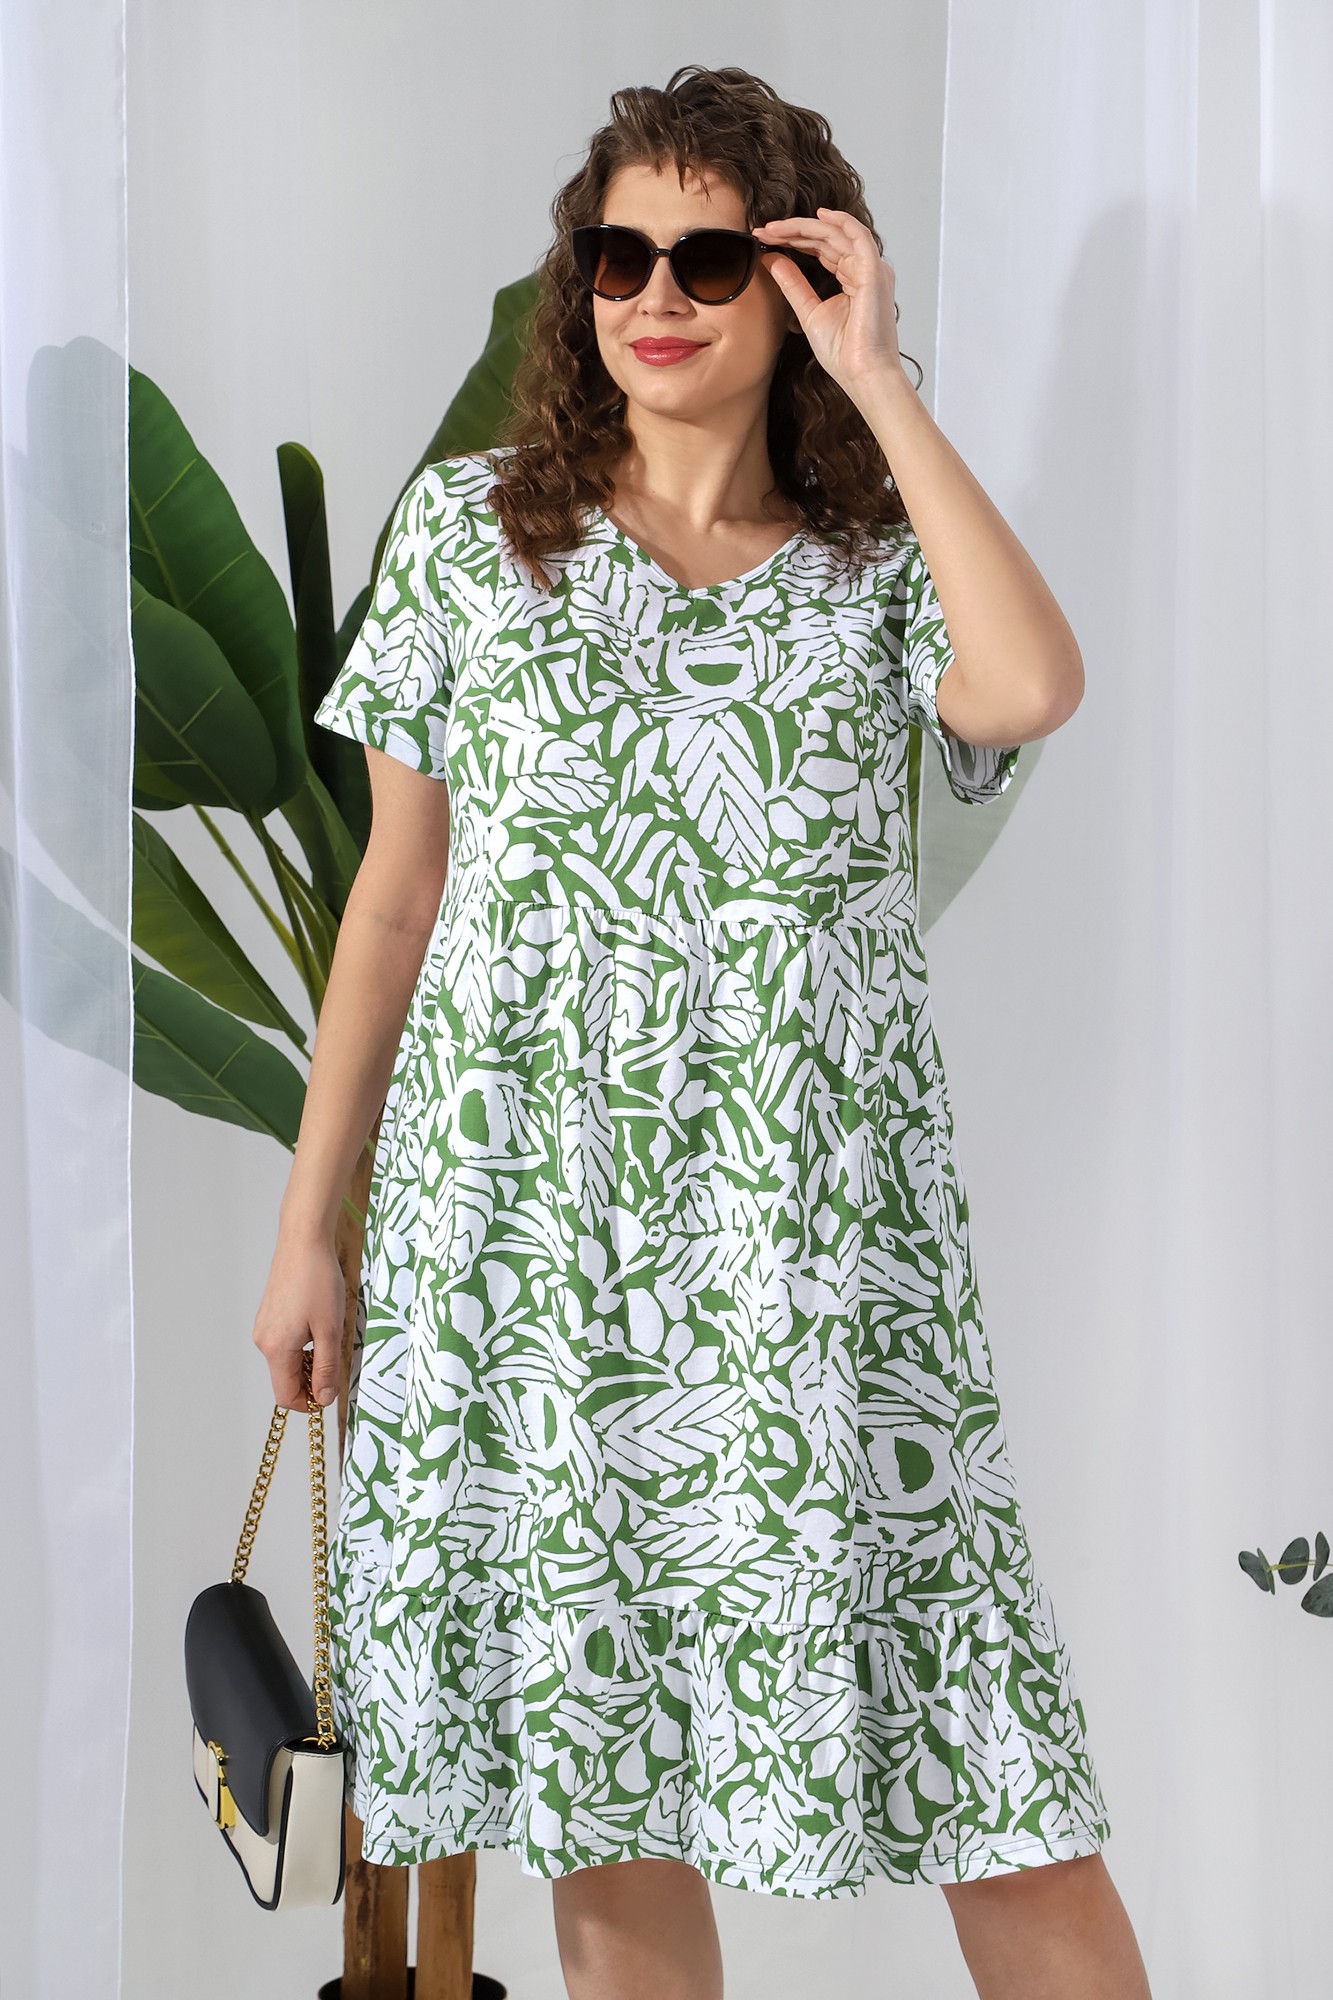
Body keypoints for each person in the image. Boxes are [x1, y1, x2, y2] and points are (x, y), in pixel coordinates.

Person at [252, 62, 1152, 2000]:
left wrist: (880, 381)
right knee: (604, 1789)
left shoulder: (878, 569)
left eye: (711, 257)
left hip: (808, 1253)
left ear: (802, 279)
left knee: (988, 1764)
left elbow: (1028, 687)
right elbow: (393, 901)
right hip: (522, 1243)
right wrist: (312, 1224)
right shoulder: (469, 539)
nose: (653, 293)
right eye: (617, 254)